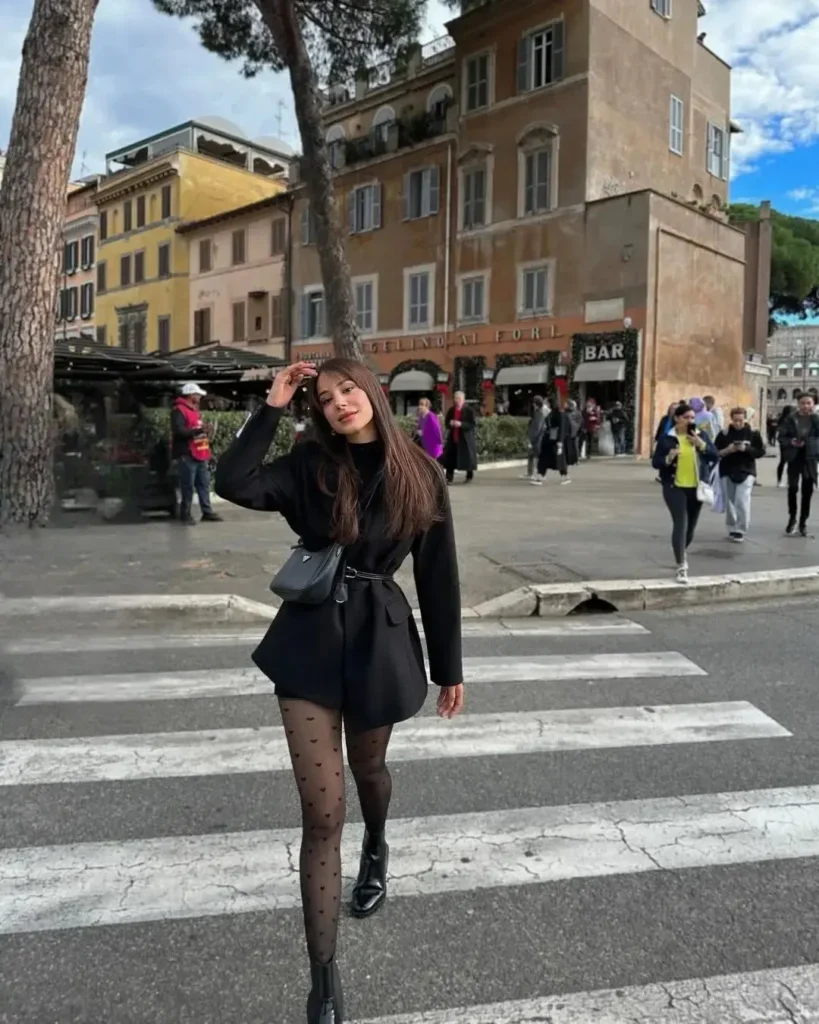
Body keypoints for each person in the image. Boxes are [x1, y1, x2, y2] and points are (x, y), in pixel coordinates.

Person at [214, 360, 464, 1023]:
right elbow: (232, 480)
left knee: (369, 768)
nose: (339, 404)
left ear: (373, 394)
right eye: (325, 399)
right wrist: (272, 404)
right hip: (308, 641)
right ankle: (323, 983)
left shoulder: (420, 472)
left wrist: (449, 669)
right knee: (322, 816)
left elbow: (439, 580)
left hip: (379, 637)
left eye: (349, 390)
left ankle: (377, 843)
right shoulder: (307, 465)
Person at [652, 402, 717, 583]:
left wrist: (702, 445)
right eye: (686, 418)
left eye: (692, 418)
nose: (690, 421)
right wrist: (669, 457)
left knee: (690, 529)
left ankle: (680, 550)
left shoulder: (700, 435)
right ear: (677, 419)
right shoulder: (667, 439)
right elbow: (656, 462)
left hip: (696, 488)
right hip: (674, 486)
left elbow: (714, 455)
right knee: (680, 523)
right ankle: (681, 565)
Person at [170, 382, 223, 525]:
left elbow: (197, 431)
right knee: (187, 486)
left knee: (203, 484)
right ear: (190, 395)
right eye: (198, 394)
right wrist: (200, 430)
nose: (200, 397)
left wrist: (207, 449)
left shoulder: (195, 410)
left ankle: (207, 512)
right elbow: (179, 431)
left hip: (200, 453)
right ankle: (185, 514)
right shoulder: (179, 410)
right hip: (187, 454)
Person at [715, 407, 766, 542]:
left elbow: (760, 452)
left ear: (745, 419)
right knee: (730, 501)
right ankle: (731, 527)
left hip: (746, 469)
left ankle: (740, 529)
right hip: (727, 469)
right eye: (735, 420)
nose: (738, 423)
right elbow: (716, 451)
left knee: (742, 500)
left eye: (741, 420)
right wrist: (728, 449)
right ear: (731, 419)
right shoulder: (724, 434)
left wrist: (746, 448)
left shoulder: (753, 434)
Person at [778, 393, 819, 536]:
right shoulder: (791, 418)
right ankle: (792, 518)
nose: (805, 406)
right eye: (802, 403)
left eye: (809, 403)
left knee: (807, 491)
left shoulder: (816, 418)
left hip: (810, 457)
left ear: (813, 404)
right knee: (793, 488)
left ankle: (803, 522)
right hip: (795, 456)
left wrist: (815, 418)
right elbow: (781, 436)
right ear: (798, 404)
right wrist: (792, 442)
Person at [443, 390, 478, 484]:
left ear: (463, 400)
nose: (457, 400)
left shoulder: (469, 411)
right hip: (453, 438)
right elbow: (446, 422)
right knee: (450, 458)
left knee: (467, 458)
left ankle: (469, 475)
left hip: (465, 439)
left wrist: (461, 424)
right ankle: (449, 478)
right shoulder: (451, 410)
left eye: (459, 399)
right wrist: (450, 423)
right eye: (456, 398)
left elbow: (472, 424)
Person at [532, 400, 570, 485]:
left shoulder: (560, 413)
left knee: (559, 459)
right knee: (544, 458)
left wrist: (560, 441)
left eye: (546, 403)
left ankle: (565, 476)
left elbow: (562, 427)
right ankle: (541, 475)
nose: (544, 404)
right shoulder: (549, 412)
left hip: (556, 439)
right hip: (548, 439)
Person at [523, 395, 546, 480]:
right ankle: (530, 473)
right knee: (531, 456)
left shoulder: (539, 413)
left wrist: (531, 438)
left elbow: (536, 428)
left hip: (536, 439)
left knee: (536, 457)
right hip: (536, 438)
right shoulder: (537, 412)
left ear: (536, 404)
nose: (533, 404)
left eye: (534, 402)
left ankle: (539, 474)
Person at [415, 397, 443, 462]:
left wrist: (423, 432)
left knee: (432, 462)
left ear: (427, 406)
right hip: (424, 443)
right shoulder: (421, 416)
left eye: (422, 405)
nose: (420, 406)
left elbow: (436, 430)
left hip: (432, 444)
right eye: (419, 404)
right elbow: (419, 427)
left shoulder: (431, 417)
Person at [776, 405, 794, 487]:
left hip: (784, 443)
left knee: (782, 461)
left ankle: (779, 481)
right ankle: (789, 481)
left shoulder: (782, 420)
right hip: (789, 443)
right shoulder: (790, 420)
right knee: (790, 462)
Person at [565, 399, 582, 467]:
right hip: (567, 432)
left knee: (575, 446)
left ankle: (576, 460)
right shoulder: (566, 412)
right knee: (568, 446)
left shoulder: (577, 413)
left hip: (575, 432)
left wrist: (576, 428)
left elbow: (580, 422)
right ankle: (569, 460)